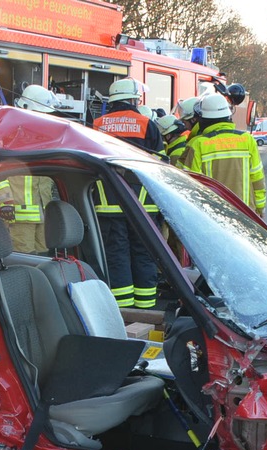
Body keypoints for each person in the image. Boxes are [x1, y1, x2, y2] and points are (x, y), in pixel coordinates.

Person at [91, 79, 162, 309]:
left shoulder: (98, 124)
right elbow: (160, 163)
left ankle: (122, 309)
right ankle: (147, 307)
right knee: (144, 253)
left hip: (108, 202)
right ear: (133, 99)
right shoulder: (146, 124)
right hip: (143, 205)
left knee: (116, 255)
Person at [179, 93, 266, 217]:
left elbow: (188, 186)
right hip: (245, 215)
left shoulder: (198, 144)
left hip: (213, 218)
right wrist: (260, 208)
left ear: (202, 118)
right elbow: (257, 178)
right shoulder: (247, 140)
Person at [0, 85, 59, 253]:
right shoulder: (12, 137)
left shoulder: (44, 138)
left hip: (43, 213)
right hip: (19, 215)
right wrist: (6, 202)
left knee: (44, 257)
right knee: (24, 259)